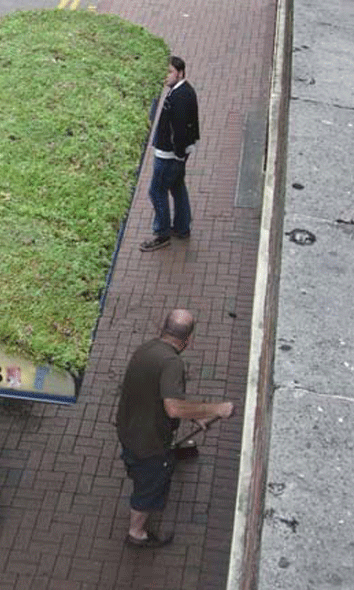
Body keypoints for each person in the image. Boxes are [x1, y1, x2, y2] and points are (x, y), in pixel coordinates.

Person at [116, 309, 234, 548]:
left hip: (129, 428)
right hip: (149, 442)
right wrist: (215, 409)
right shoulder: (173, 363)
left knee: (138, 464)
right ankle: (136, 533)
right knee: (149, 485)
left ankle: (140, 469)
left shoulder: (147, 349)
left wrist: (195, 417)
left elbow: (160, 394)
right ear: (188, 339)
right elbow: (174, 408)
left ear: (163, 329)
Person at [140, 56, 200, 252]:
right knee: (176, 186)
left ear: (180, 73)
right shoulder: (184, 91)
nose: (165, 76)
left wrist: (179, 153)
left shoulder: (179, 97)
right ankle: (182, 227)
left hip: (169, 155)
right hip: (176, 154)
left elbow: (179, 131)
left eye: (169, 72)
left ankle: (162, 232)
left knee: (156, 191)